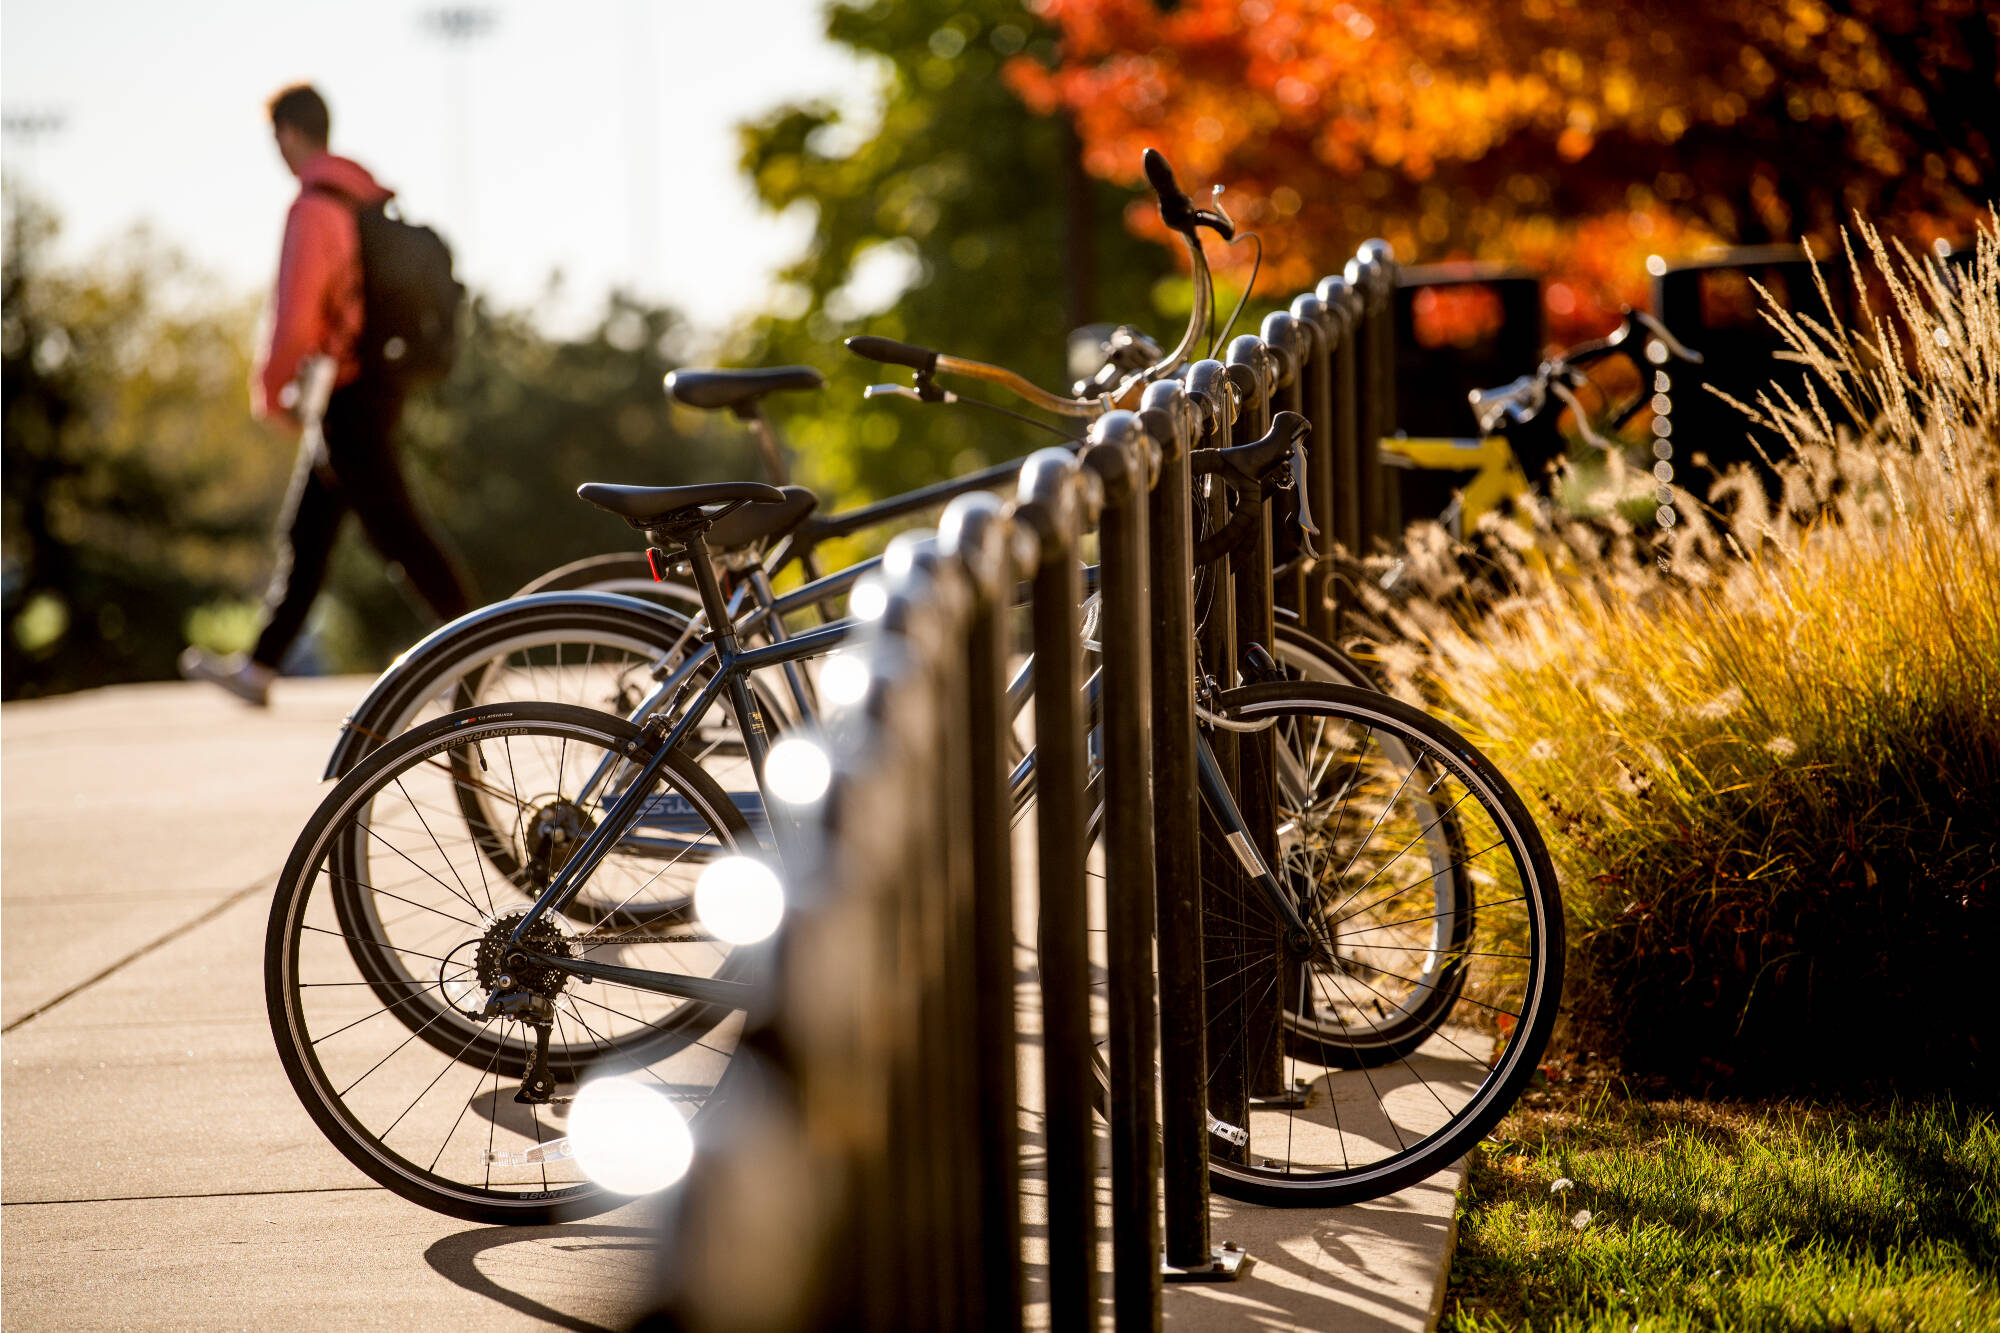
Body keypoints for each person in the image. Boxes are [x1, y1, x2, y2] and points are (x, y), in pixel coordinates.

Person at [181, 83, 472, 705]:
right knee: (308, 532)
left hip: (346, 392)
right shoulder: (360, 197)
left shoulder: (314, 207)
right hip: (367, 384)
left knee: (396, 530)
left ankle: (477, 648)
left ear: (288, 133)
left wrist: (271, 391)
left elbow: (296, 312)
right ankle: (259, 669)